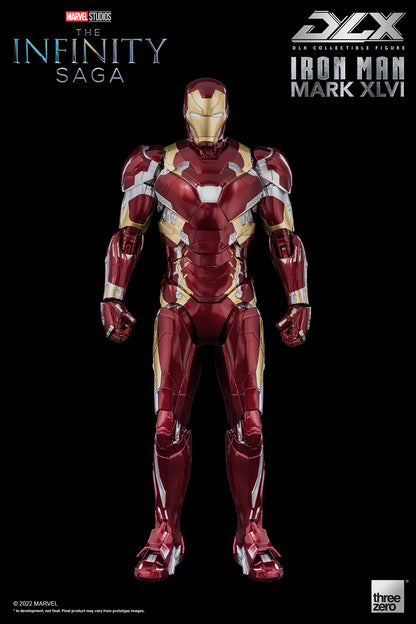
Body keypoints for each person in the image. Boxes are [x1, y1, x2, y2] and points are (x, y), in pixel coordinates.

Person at [100, 77, 311, 581]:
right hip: (179, 306)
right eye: (200, 117)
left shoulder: (261, 165)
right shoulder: (154, 164)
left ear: (227, 114)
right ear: (186, 113)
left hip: (238, 305)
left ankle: (252, 534)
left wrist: (299, 299)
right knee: (165, 427)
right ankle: (165, 534)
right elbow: (128, 236)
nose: (208, 130)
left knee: (251, 427)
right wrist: (112, 293)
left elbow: (284, 239)